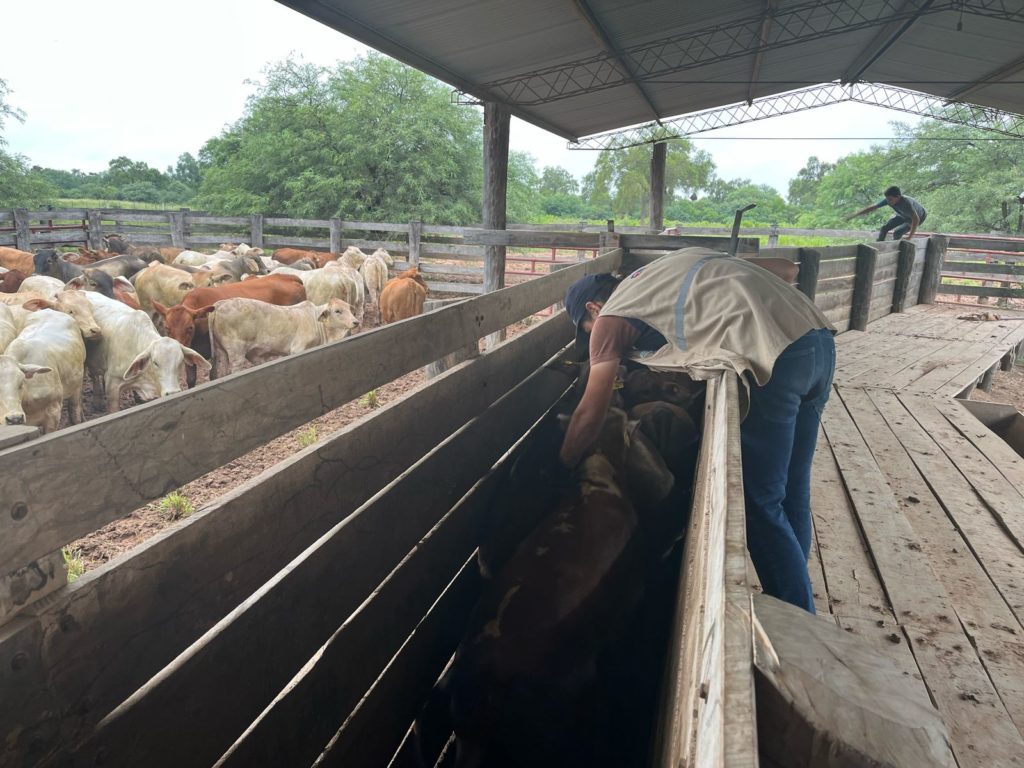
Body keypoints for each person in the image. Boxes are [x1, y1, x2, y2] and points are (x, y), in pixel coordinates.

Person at [559, 249, 836, 613]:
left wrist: (563, 468)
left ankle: (799, 617)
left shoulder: (610, 320)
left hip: (777, 359)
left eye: (586, 329)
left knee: (759, 501)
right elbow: (786, 269)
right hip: (819, 343)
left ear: (594, 309)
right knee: (793, 490)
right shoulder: (672, 266)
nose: (592, 335)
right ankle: (797, 592)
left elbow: (589, 414)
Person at [845, 186, 927, 241]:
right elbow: (872, 207)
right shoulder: (888, 200)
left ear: (898, 197)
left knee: (897, 232)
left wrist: (910, 237)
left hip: (919, 216)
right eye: (887, 199)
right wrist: (854, 215)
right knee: (884, 228)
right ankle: (880, 246)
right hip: (902, 214)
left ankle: (894, 249)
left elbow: (916, 219)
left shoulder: (906, 203)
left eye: (890, 199)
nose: (888, 201)